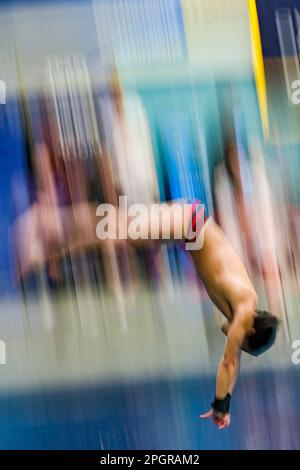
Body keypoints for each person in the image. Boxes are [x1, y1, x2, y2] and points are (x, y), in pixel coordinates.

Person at [13, 144, 279, 430]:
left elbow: (232, 362)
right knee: (113, 228)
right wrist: (221, 406)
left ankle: (53, 247)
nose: (234, 341)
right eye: (241, 341)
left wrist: (223, 403)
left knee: (115, 231)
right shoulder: (244, 307)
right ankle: (48, 232)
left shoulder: (242, 305)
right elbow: (229, 363)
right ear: (249, 330)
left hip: (188, 226)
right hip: (188, 223)